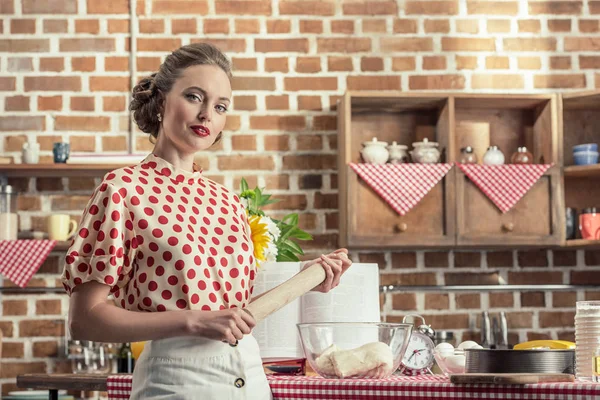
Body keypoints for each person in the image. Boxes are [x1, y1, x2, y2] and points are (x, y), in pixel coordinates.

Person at [60, 42, 352, 399]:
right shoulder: (122, 189)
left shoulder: (228, 201)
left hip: (250, 377)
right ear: (162, 100)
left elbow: (232, 306)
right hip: (175, 381)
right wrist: (192, 320)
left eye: (220, 106)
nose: (207, 114)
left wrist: (306, 277)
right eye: (194, 97)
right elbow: (84, 319)